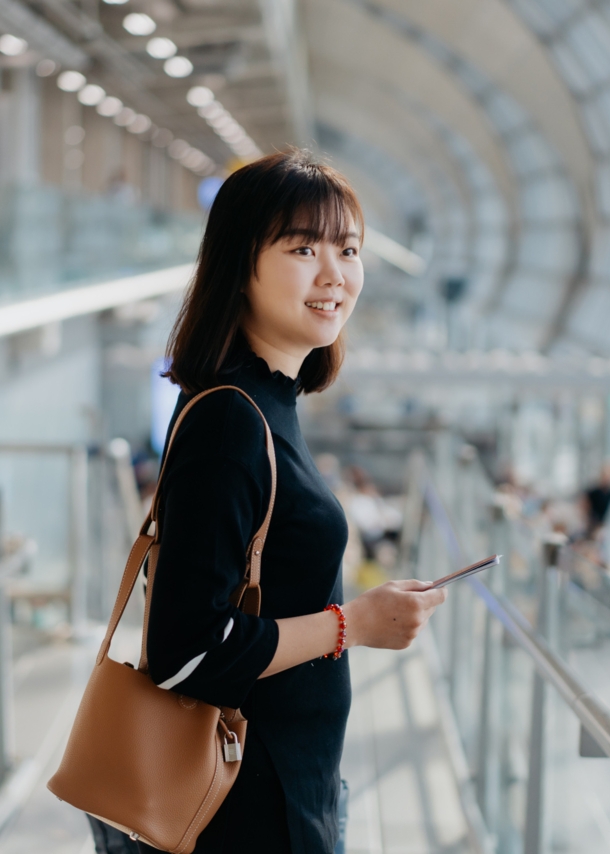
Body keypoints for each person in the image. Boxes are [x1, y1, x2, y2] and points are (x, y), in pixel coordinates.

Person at [138, 149, 447, 854]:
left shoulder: (270, 400)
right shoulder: (231, 422)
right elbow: (184, 652)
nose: (334, 273)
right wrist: (354, 624)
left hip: (287, 783)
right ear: (238, 264)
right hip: (247, 807)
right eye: (302, 247)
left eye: (348, 248)